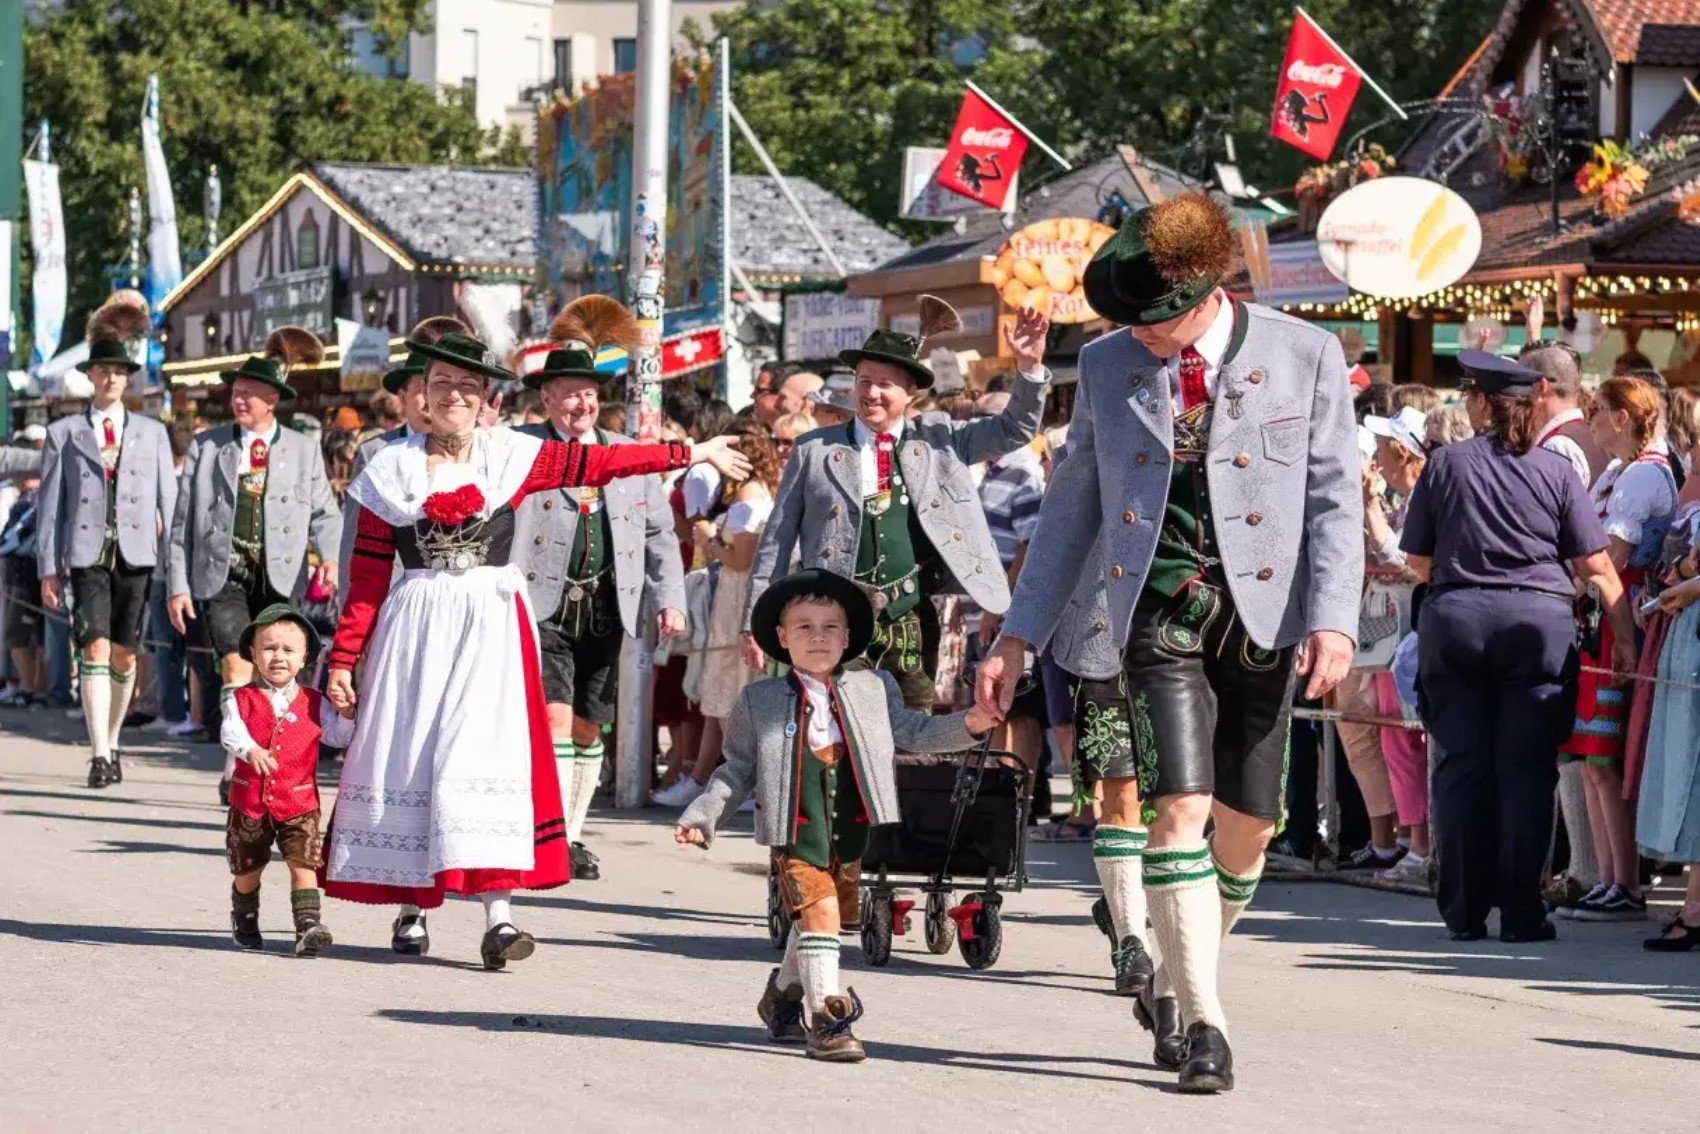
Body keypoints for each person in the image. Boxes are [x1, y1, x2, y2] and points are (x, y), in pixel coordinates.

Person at [977, 192, 1362, 1093]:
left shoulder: (1304, 352)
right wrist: (1016, 636)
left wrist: (1336, 617)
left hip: (1264, 618)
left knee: (1250, 831)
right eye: (1132, 324)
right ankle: (1205, 1024)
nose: (1144, 340)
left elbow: (1337, 497)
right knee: (1178, 809)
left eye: (1159, 324)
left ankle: (1186, 982)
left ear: (1207, 295)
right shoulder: (1110, 363)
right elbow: (1072, 508)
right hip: (1154, 612)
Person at [321, 329, 748, 968]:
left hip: (490, 623)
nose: (456, 396)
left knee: (483, 757)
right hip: (415, 627)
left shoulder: (510, 456)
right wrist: (345, 659)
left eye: (469, 386)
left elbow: (603, 464)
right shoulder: (389, 469)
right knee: (414, 757)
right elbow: (366, 579)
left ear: (485, 397)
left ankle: (499, 916)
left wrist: (691, 451)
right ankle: (412, 910)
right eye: (443, 385)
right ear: (422, 397)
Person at [675, 569, 999, 1061]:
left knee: (818, 921)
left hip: (849, 831)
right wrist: (703, 816)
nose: (819, 636)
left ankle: (781, 998)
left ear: (848, 637)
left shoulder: (874, 687)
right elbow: (736, 768)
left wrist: (969, 725)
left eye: (830, 627)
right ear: (781, 639)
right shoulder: (758, 700)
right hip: (795, 831)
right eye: (804, 627)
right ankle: (828, 1019)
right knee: (820, 912)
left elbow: (912, 732)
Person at [1402, 350, 1635, 944]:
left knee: (1461, 769)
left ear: (1480, 403)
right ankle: (1522, 913)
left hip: (1457, 621)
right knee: (1526, 772)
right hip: (1537, 626)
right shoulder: (1556, 472)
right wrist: (1625, 641)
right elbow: (1597, 565)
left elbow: (1418, 561)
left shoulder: (1446, 464)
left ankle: (1463, 910)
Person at [744, 297, 1052, 710]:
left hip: (911, 613)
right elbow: (776, 541)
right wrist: (754, 621)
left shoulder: (940, 437)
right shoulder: (813, 450)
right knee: (836, 730)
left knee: (912, 732)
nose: (871, 393)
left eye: (884, 384)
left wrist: (1029, 368)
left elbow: (1014, 429)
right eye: (864, 381)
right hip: (833, 616)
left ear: (910, 393)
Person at [514, 296, 687, 882]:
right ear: (546, 400)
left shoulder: (622, 454)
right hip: (542, 606)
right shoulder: (524, 451)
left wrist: (670, 599)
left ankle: (575, 833)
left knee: (590, 727)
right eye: (567, 393)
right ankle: (553, 839)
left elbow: (661, 533)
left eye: (588, 394)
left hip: (610, 607)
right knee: (555, 720)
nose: (580, 403)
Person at [167, 327, 343, 804]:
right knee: (235, 663)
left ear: (273, 398)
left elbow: (326, 511)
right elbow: (182, 522)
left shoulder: (303, 448)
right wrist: (177, 585)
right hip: (222, 571)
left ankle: (276, 759)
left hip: (281, 571)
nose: (239, 399)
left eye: (250, 392)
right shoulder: (209, 446)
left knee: (277, 668)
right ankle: (236, 764)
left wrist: (328, 555)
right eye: (236, 391)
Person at [37, 299, 178, 788]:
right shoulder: (64, 433)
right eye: (103, 371)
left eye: (119, 372)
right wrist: (47, 568)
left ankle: (113, 740)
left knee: (123, 653)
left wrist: (175, 570)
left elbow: (171, 506)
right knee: (92, 646)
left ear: (128, 379)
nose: (111, 379)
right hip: (86, 553)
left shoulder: (152, 432)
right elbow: (49, 506)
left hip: (137, 554)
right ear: (91, 376)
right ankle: (99, 753)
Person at [1557, 376, 1674, 921]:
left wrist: (1566, 587)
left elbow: (1615, 559)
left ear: (1625, 417)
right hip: (1601, 615)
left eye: (1599, 410)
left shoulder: (1644, 475)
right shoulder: (1619, 471)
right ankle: (1608, 877)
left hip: (1618, 615)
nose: (1592, 419)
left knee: (1604, 755)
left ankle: (1624, 882)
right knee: (1590, 758)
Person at [1520, 342, 1607, 908]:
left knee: (1575, 746)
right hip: (1574, 606)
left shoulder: (1565, 447)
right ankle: (1583, 865)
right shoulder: (1572, 440)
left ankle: (1584, 867)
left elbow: (1579, 543)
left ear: (1541, 389)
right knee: (1570, 746)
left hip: (1576, 609)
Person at [221, 605, 355, 955]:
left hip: (299, 802)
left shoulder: (315, 702)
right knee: (247, 868)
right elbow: (229, 732)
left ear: (304, 657)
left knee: (303, 863)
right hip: (250, 802)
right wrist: (249, 749)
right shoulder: (241, 699)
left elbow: (337, 737)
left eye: (288, 650)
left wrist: (346, 714)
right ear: (252, 653)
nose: (278, 656)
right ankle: (245, 916)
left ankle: (308, 926)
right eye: (268, 648)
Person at [1362, 406, 1432, 884]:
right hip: (1394, 634)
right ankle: (1411, 836)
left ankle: (1422, 844)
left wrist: (1370, 509)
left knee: (1409, 735)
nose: (1378, 462)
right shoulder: (1408, 501)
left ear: (1404, 453)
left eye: (1384, 450)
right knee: (1394, 735)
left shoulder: (1424, 499)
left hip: (1414, 632)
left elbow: (1406, 563)